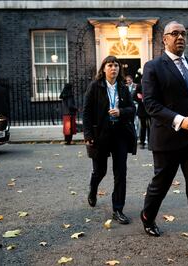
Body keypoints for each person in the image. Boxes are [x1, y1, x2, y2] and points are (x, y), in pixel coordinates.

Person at [140, 21, 188, 264]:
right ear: (164, 39)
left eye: (183, 34)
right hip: (167, 139)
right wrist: (179, 120)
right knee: (160, 185)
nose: (180, 37)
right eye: (175, 33)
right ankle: (147, 215)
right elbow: (150, 105)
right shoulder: (153, 67)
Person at [83, 55, 137, 225]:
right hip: (101, 135)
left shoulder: (123, 87)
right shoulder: (95, 87)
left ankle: (118, 209)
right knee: (101, 171)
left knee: (121, 172)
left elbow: (132, 108)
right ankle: (93, 188)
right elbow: (86, 112)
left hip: (120, 134)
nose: (113, 68)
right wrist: (88, 135)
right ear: (104, 68)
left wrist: (121, 112)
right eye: (110, 65)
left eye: (116, 66)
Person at [133, 82, 151, 149]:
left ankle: (150, 142)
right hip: (142, 109)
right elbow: (134, 96)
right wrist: (141, 99)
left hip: (150, 109)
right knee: (143, 126)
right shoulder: (139, 86)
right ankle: (142, 142)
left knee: (150, 126)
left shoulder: (151, 84)